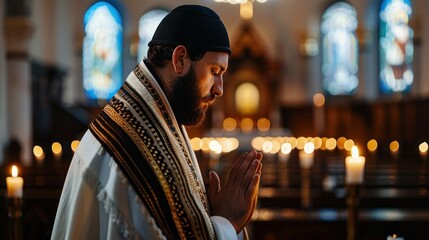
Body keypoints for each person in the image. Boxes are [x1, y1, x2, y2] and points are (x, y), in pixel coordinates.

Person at [51, 4, 263, 240]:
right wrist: (227, 222)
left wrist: (210, 214)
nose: (220, 89)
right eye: (215, 70)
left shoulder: (150, 113)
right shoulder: (141, 141)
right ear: (180, 59)